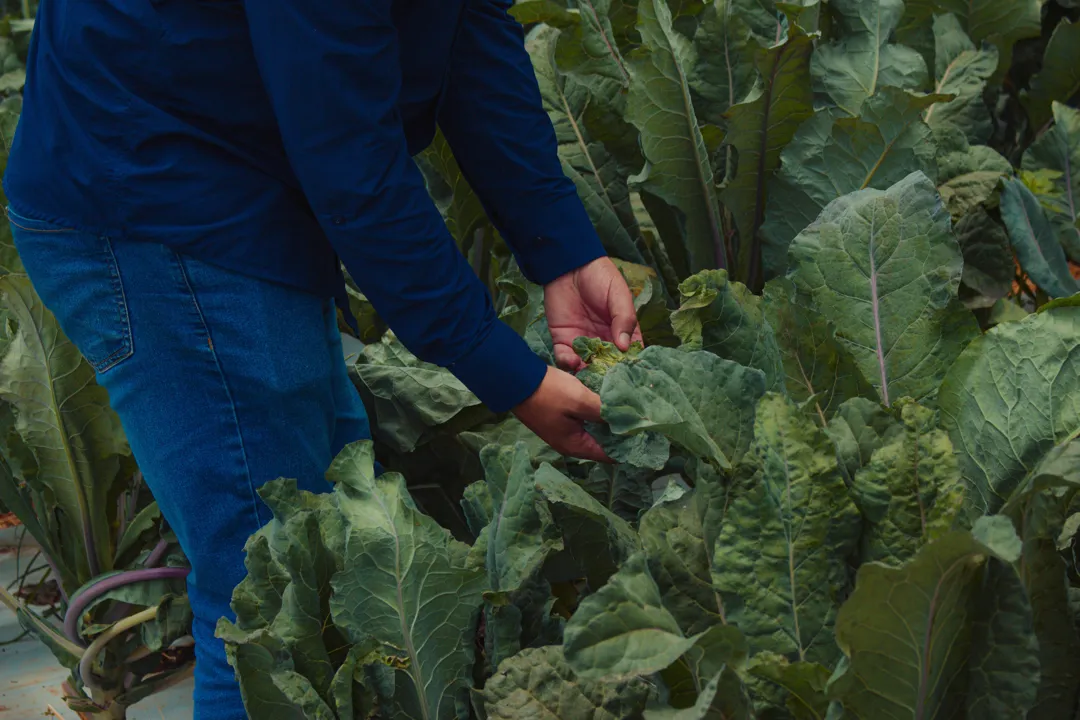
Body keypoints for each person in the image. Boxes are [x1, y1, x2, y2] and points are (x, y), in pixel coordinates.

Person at [3, 0, 642, 717]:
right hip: (163, 200)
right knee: (269, 605)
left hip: (235, 175)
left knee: (326, 549)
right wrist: (508, 373)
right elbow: (350, 159)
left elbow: (469, 25)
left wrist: (563, 249)